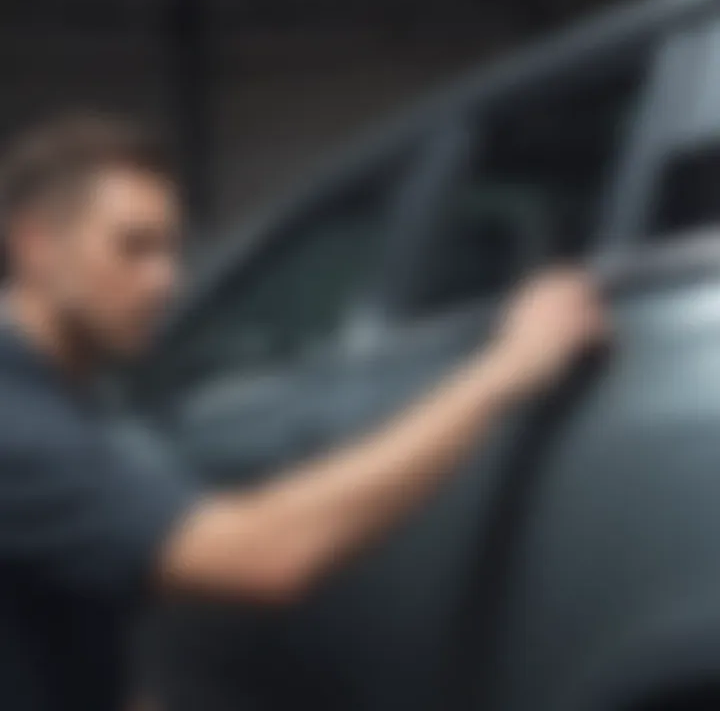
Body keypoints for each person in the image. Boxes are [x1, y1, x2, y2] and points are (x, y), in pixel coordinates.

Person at [0, 112, 606, 711]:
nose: (165, 281)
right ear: (36, 244)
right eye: (133, 248)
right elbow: (267, 555)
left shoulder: (57, 399)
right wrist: (505, 369)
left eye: (170, 250)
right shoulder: (19, 425)